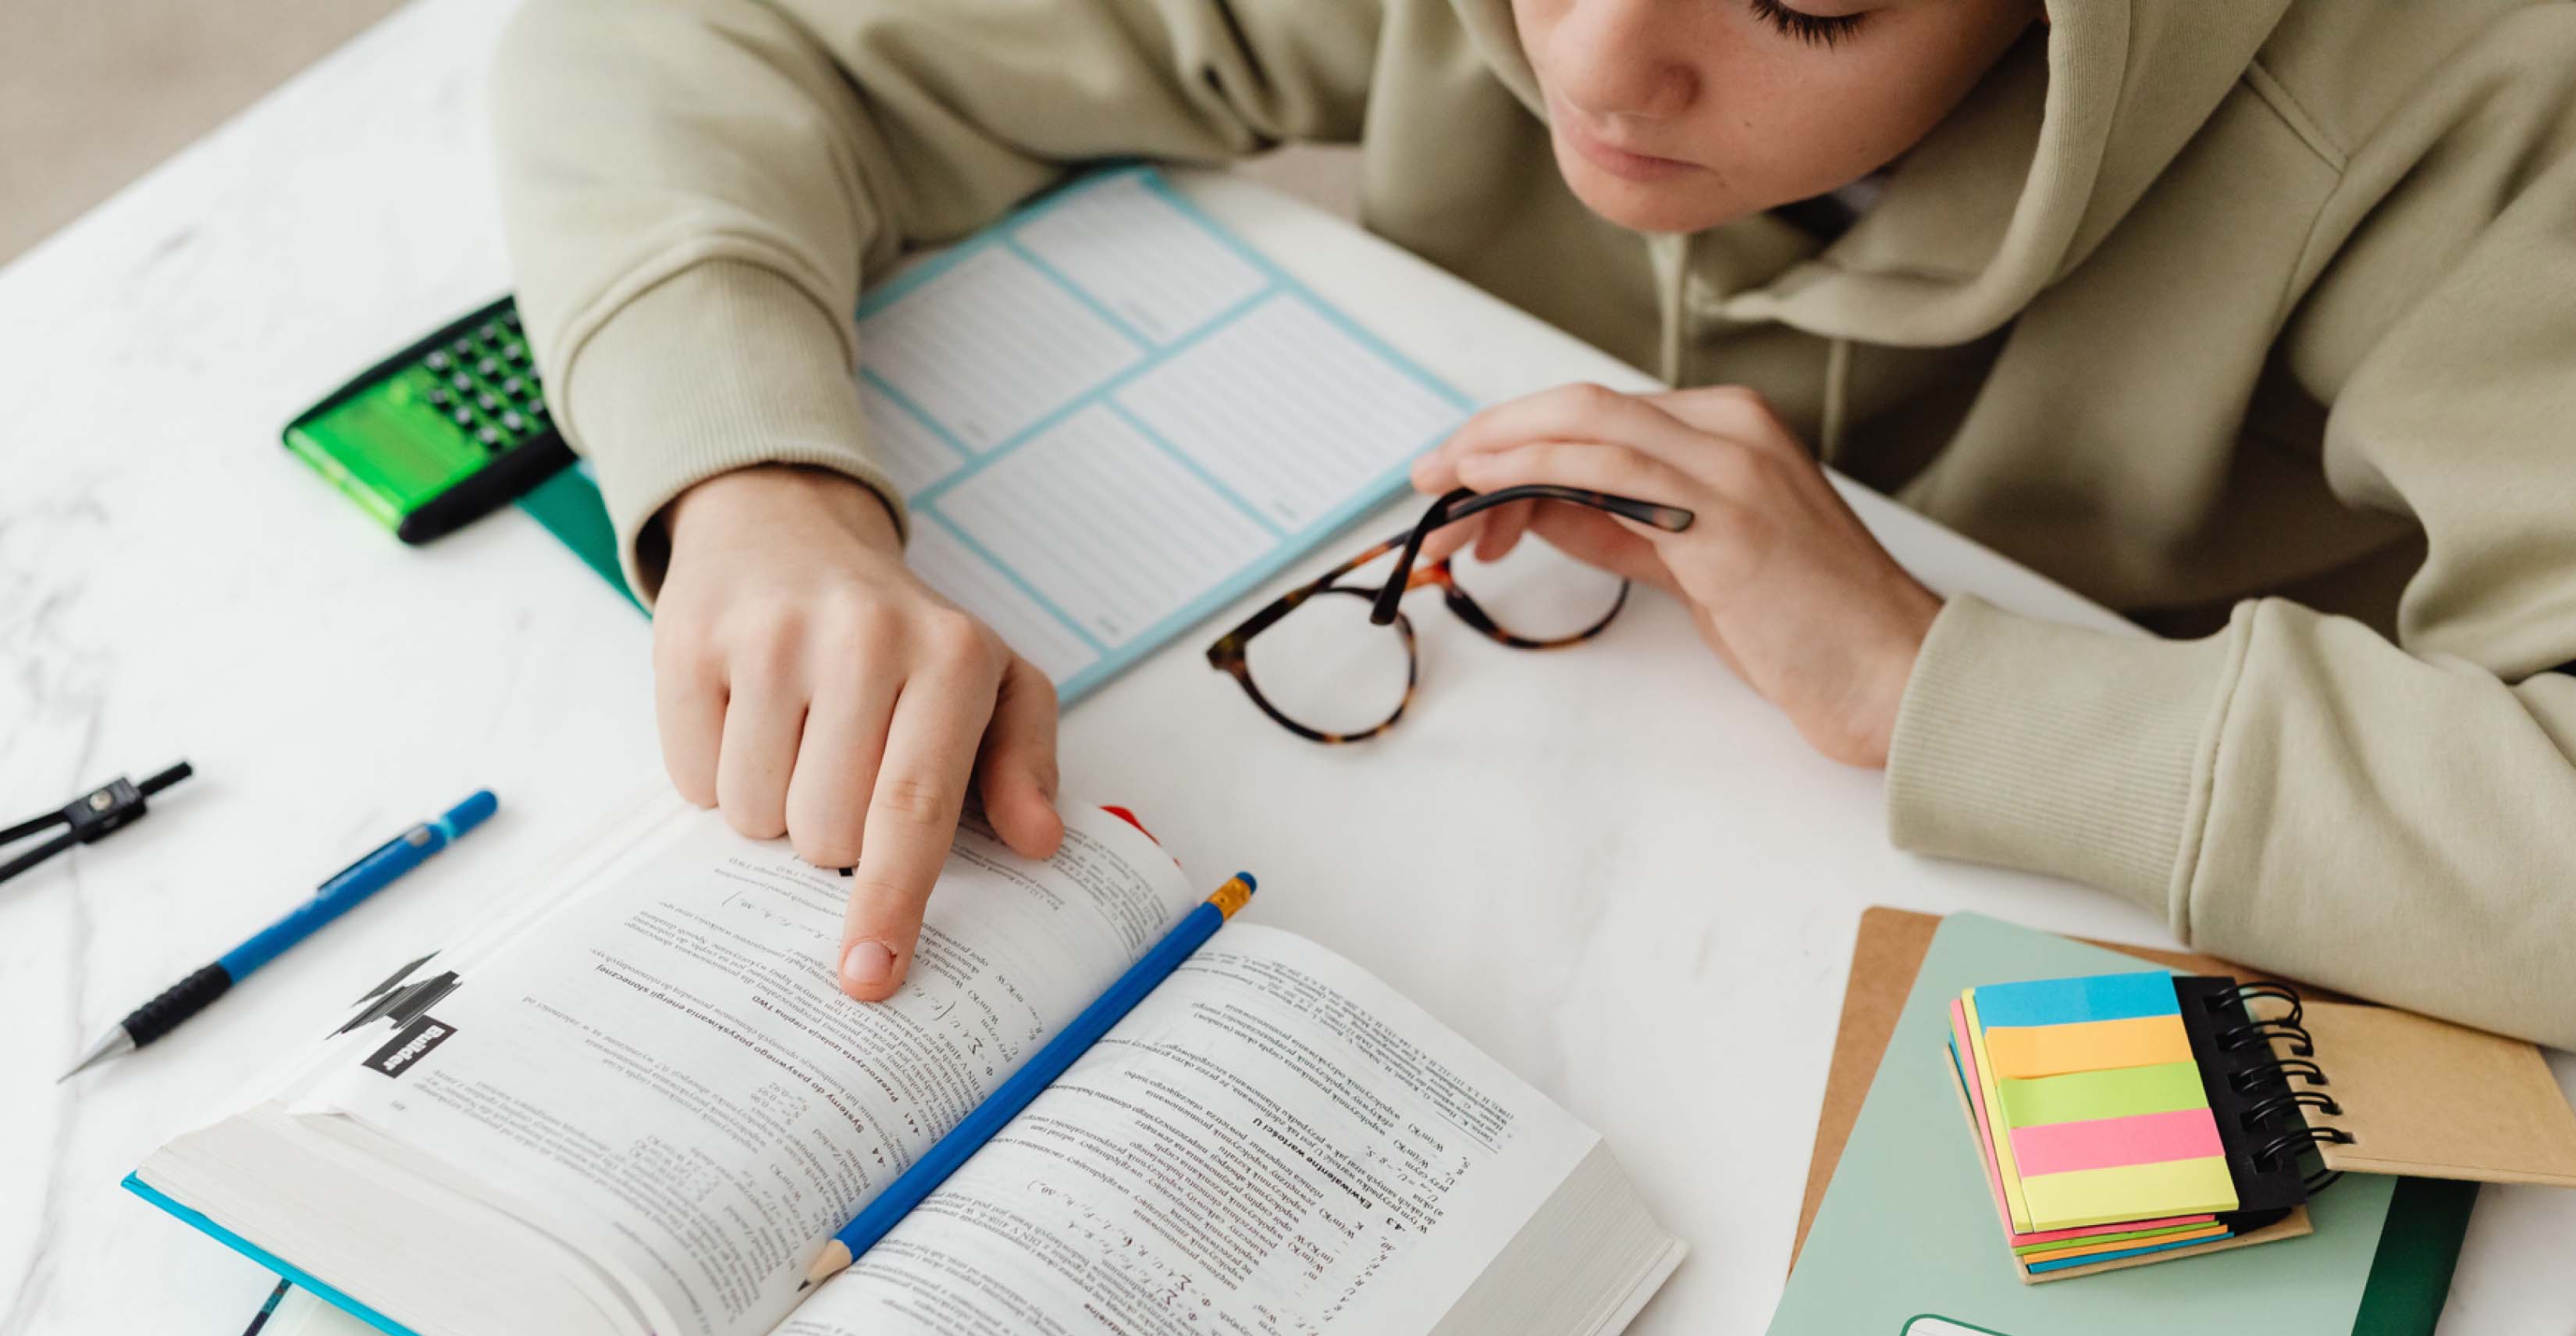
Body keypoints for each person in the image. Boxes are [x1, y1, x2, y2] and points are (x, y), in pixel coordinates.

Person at [493, 0, 2576, 1046]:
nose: (1596, 68)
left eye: (1806, 5)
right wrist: (755, 491)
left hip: (2117, 950)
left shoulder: (2485, 91)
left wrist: (1928, 675)